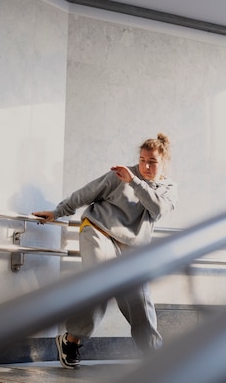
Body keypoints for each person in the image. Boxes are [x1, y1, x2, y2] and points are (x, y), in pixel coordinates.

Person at [33, 133, 178, 369]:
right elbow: (87, 192)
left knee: (140, 298)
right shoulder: (120, 175)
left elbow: (157, 209)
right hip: (99, 230)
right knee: (99, 283)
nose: (145, 166)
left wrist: (135, 182)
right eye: (142, 160)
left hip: (132, 246)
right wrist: (58, 212)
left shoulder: (168, 189)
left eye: (152, 161)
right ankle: (71, 341)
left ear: (164, 163)